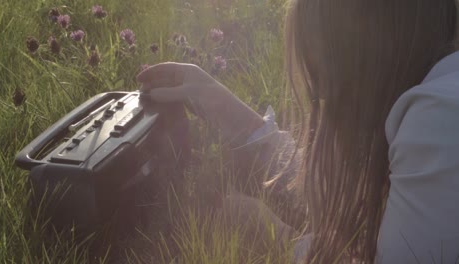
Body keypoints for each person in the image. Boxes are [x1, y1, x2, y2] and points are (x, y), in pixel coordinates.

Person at [136, 0, 459, 262]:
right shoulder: (441, 96)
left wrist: (276, 238)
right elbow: (355, 193)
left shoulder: (439, 116)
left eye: (325, 85)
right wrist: (232, 113)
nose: (327, 101)